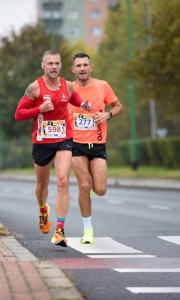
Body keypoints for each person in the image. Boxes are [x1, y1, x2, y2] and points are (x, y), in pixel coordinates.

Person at [15, 50, 92, 247]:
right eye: (50, 63)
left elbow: (71, 98)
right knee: (42, 185)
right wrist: (39, 109)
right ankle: (43, 210)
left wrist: (82, 104)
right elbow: (19, 114)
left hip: (64, 138)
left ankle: (59, 230)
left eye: (57, 63)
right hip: (41, 141)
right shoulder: (34, 88)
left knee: (64, 182)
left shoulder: (67, 85)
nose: (54, 67)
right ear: (43, 66)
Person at [68, 53, 123, 244]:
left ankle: (92, 186)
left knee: (100, 190)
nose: (82, 68)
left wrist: (107, 116)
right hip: (75, 144)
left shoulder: (102, 86)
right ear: (73, 70)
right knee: (84, 186)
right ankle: (88, 230)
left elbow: (118, 106)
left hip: (97, 144)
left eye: (85, 65)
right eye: (78, 66)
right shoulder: (68, 88)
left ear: (91, 68)